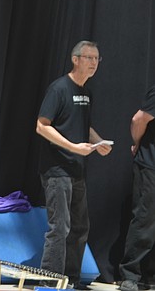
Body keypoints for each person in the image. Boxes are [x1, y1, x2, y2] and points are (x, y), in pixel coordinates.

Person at [35, 40, 112, 290]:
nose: (93, 63)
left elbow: (82, 124)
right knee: (60, 227)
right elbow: (42, 126)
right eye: (89, 57)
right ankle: (50, 281)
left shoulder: (87, 93)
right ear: (75, 59)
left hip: (77, 170)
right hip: (57, 169)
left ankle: (72, 279)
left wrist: (98, 142)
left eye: (97, 59)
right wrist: (72, 147)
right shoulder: (58, 89)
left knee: (80, 227)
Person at [118, 85, 155, 291]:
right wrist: (137, 143)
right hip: (150, 164)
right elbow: (138, 120)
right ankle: (130, 274)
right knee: (144, 219)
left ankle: (149, 276)